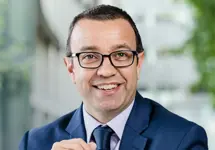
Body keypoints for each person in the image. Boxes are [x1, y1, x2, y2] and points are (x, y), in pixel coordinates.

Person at [19, 4, 208, 150]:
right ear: (71, 69)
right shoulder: (35, 143)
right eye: (90, 57)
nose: (106, 70)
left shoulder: (183, 140)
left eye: (120, 55)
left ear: (138, 63)